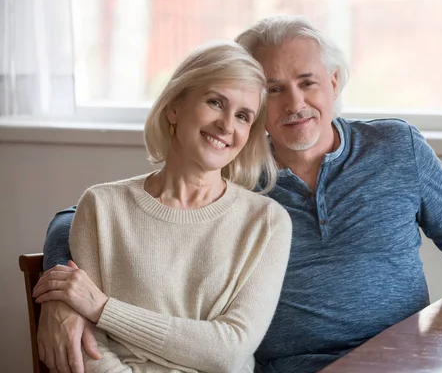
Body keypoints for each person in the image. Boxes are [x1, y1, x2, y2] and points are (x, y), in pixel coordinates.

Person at [39, 16, 442, 373]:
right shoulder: (233, 169)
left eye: (307, 83)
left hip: (401, 360)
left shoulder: (396, 148)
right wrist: (62, 296)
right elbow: (90, 215)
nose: (295, 103)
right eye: (273, 89)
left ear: (334, 83)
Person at [32, 41, 292, 372]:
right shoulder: (101, 206)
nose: (227, 125)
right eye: (215, 102)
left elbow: (229, 351)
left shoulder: (267, 222)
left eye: (243, 116)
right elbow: (86, 348)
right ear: (174, 107)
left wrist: (103, 308)